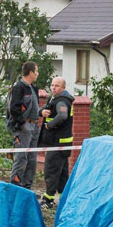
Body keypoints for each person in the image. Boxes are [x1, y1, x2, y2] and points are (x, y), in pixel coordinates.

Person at [39, 77, 75, 210]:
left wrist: (49, 125)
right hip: (62, 143)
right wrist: (41, 112)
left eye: (57, 86)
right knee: (62, 172)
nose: (54, 87)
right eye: (52, 85)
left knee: (51, 170)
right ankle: (64, 199)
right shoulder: (54, 99)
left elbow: (62, 116)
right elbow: (42, 110)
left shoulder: (61, 101)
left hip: (57, 142)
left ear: (63, 88)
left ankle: (48, 200)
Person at [7, 62, 41, 189]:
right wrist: (22, 123)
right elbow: (14, 108)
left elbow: (34, 107)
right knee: (21, 159)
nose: (37, 74)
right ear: (31, 72)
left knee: (32, 160)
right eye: (36, 71)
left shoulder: (33, 88)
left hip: (34, 126)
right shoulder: (19, 88)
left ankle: (27, 187)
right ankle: (15, 187)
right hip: (24, 128)